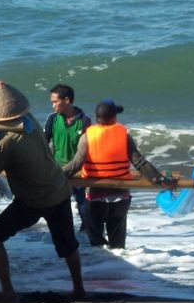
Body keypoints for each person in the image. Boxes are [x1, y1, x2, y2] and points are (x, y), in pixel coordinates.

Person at [0, 80, 86, 303]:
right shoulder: (31, 120)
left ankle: (8, 293)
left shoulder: (8, 142)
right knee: (67, 245)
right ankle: (79, 289)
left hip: (33, 200)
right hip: (58, 190)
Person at [63, 99, 174, 249]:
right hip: (121, 199)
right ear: (114, 118)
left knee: (96, 245)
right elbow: (140, 163)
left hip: (95, 198)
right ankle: (117, 267)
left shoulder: (87, 137)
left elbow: (76, 165)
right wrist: (159, 178)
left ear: (97, 118)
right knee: (118, 246)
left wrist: (55, 174)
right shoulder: (125, 137)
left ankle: (100, 267)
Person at [44, 84, 91, 231]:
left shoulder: (84, 120)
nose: (53, 105)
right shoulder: (52, 119)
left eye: (55, 101)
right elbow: (43, 144)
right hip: (58, 171)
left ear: (67, 100)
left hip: (78, 172)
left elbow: (89, 149)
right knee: (57, 207)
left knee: (83, 206)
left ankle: (87, 240)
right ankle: (63, 233)